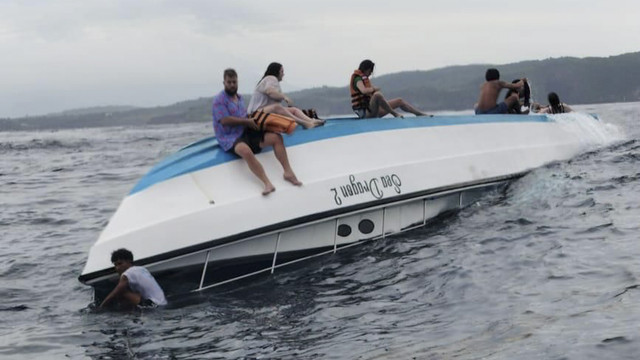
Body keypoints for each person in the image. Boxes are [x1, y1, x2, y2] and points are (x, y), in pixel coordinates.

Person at [212, 68, 302, 196]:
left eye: (234, 82)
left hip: (245, 131)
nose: (232, 85)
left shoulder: (240, 98)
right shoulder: (219, 100)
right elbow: (225, 120)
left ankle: (288, 172)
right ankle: (267, 183)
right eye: (229, 82)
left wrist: (257, 122)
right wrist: (247, 122)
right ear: (224, 83)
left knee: (276, 138)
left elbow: (244, 116)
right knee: (245, 150)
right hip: (229, 137)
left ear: (237, 82)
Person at [247, 62, 324, 129]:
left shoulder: (268, 80)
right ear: (276, 72)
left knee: (294, 110)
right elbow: (269, 91)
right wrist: (284, 97)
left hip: (263, 112)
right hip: (254, 115)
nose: (283, 74)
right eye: (282, 71)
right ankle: (305, 123)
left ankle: (311, 121)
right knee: (277, 107)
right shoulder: (271, 78)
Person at [350, 59, 429, 118]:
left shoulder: (365, 79)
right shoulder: (357, 79)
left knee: (399, 101)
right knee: (377, 95)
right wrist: (373, 89)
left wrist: (373, 90)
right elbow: (363, 91)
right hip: (366, 113)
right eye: (370, 71)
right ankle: (394, 114)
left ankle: (419, 114)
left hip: (374, 110)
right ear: (366, 69)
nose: (371, 73)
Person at [99, 248, 167, 309]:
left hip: (152, 305)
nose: (117, 268)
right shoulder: (142, 269)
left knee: (122, 292)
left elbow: (116, 292)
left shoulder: (127, 273)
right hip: (163, 303)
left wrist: (101, 307)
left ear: (129, 261)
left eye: (120, 264)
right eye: (115, 265)